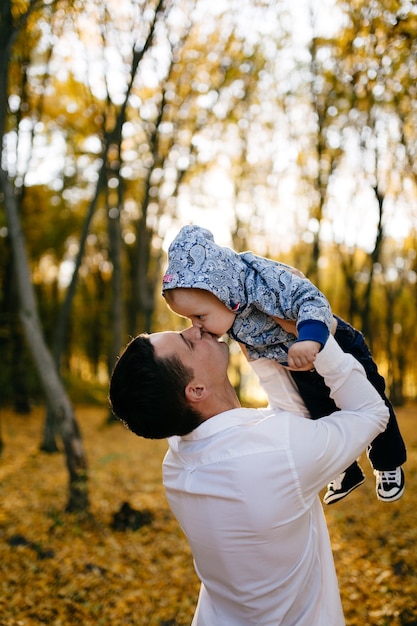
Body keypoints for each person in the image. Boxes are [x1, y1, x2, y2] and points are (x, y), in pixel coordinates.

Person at [109, 326, 390, 625]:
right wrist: (319, 336)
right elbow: (372, 413)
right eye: (186, 343)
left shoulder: (177, 464)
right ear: (196, 390)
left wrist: (255, 347)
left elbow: (285, 424)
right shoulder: (275, 452)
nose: (194, 329)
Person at [161, 224, 406, 504]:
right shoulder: (228, 317)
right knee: (320, 414)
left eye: (200, 316)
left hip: (332, 342)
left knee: (371, 397)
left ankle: (388, 462)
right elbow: (259, 357)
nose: (197, 326)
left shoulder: (262, 282)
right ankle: (344, 471)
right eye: (190, 320)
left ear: (225, 294)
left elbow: (310, 298)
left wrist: (311, 338)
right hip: (297, 366)